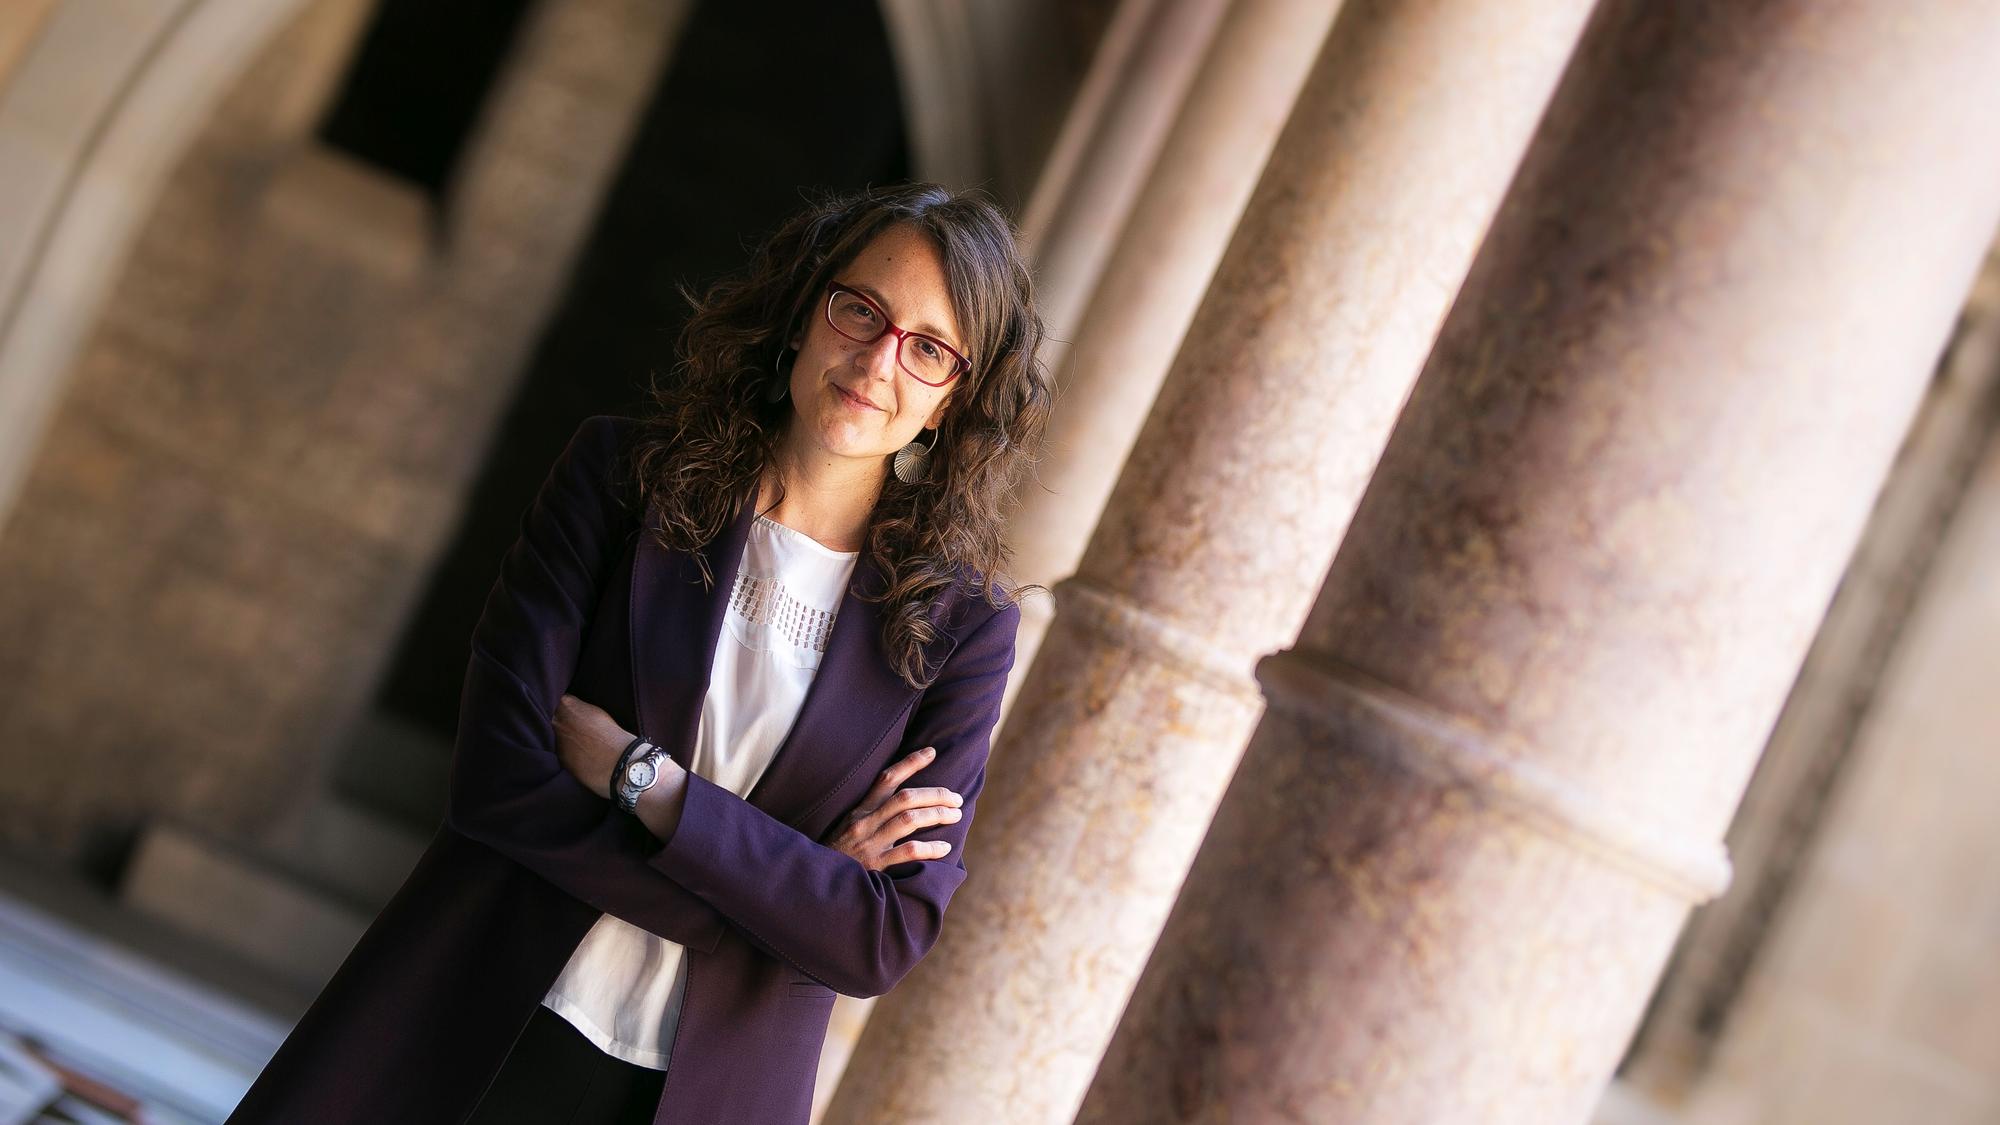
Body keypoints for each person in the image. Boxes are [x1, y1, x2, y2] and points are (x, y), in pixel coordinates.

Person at [225, 181, 1053, 1124]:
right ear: (805, 313)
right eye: (859, 308)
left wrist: (644, 780)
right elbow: (498, 782)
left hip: (701, 1095)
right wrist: (784, 896)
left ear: (955, 399)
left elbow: (881, 935)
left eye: (929, 348)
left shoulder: (962, 630)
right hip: (469, 1019)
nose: (878, 358)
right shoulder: (619, 480)